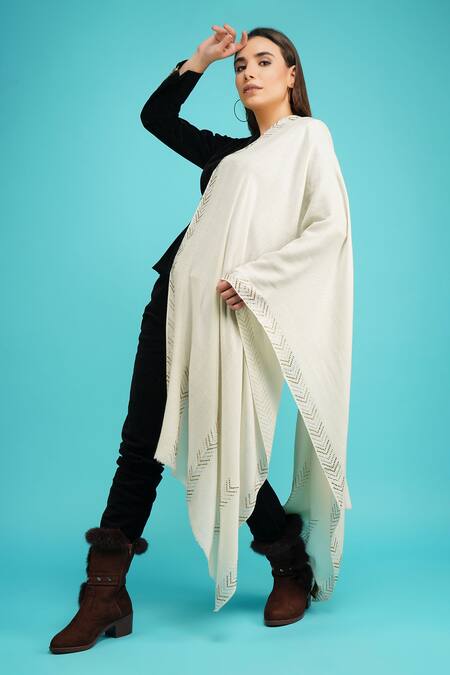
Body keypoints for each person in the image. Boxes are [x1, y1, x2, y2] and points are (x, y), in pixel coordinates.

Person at [50, 23, 353, 653]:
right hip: (172, 300)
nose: (248, 72)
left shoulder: (309, 139)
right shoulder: (226, 154)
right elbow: (155, 118)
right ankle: (104, 592)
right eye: (241, 65)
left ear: (292, 74)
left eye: (263, 61)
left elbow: (327, 229)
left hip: (233, 308)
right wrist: (202, 58)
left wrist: (257, 279)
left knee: (230, 442)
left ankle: (289, 562)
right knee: (140, 440)